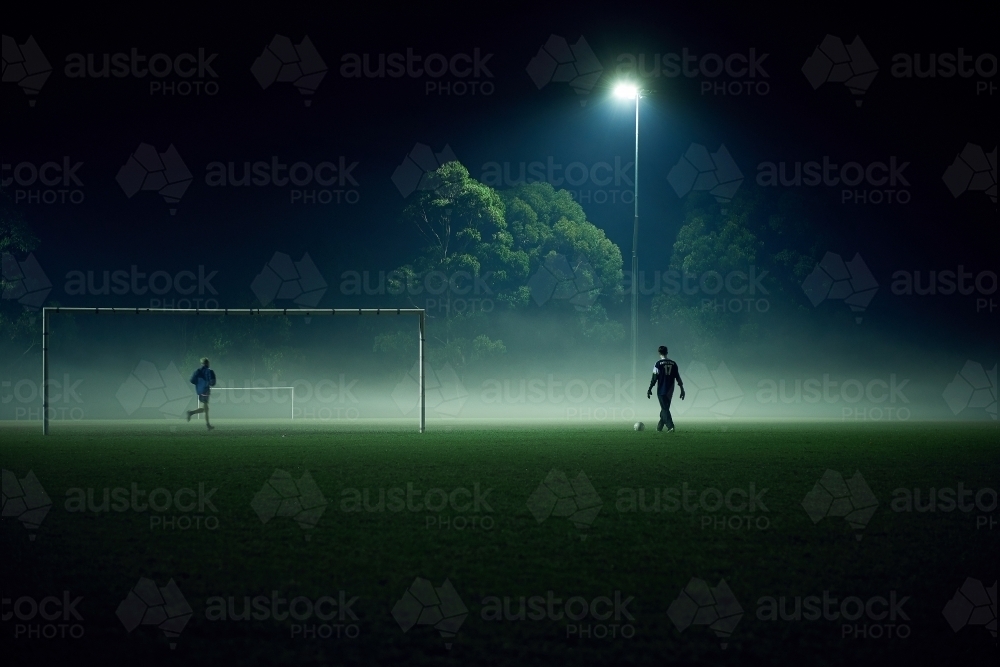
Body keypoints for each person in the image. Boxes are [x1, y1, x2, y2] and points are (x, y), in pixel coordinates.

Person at [647, 345, 685, 432]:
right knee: (665, 408)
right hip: (670, 390)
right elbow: (678, 377)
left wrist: (649, 389)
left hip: (661, 390)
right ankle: (659, 427)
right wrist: (682, 389)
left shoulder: (658, 364)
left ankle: (670, 426)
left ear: (659, 353)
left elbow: (654, 378)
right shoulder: (674, 363)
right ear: (667, 352)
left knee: (664, 408)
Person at [186, 358, 216, 430]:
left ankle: (191, 413)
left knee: (205, 409)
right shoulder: (209, 371)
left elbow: (192, 380)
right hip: (205, 390)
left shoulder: (197, 371)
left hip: (199, 391)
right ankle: (208, 425)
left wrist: (198, 384)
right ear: (207, 363)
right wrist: (206, 383)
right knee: (206, 409)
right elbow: (212, 382)